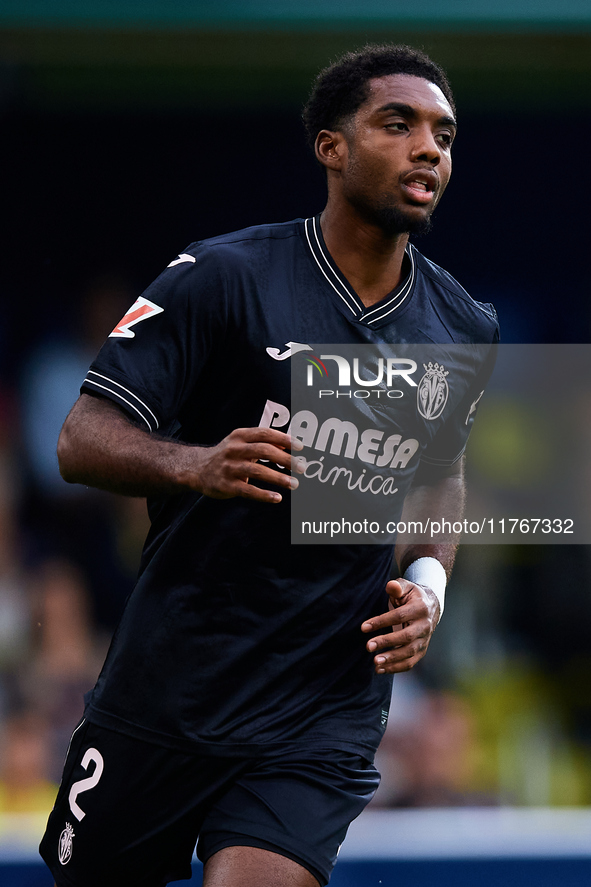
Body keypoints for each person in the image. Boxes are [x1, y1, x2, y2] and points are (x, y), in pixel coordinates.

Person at [40, 44, 498, 887]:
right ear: (331, 147)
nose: (428, 147)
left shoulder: (461, 327)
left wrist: (428, 581)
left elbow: (440, 474)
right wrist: (193, 463)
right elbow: (80, 438)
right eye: (397, 124)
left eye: (443, 132)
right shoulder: (221, 276)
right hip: (170, 687)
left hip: (323, 704)